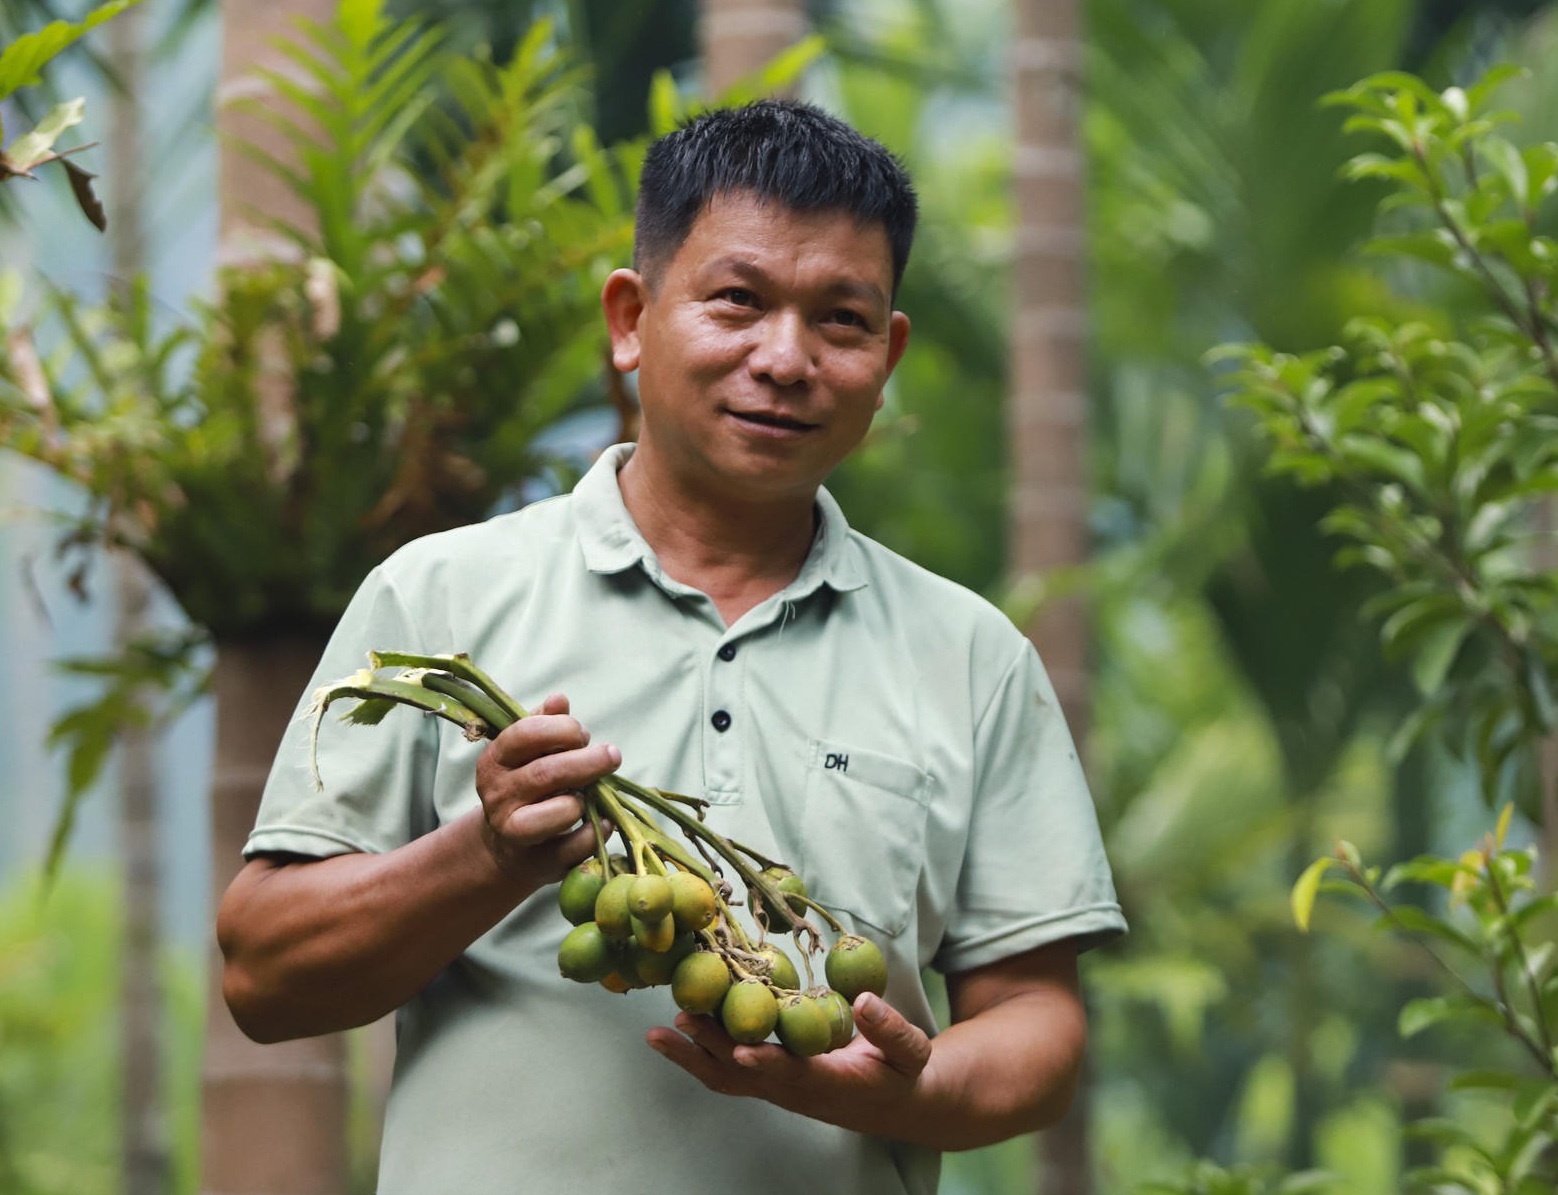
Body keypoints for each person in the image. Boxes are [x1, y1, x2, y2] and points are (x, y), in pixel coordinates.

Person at [216, 99, 1126, 1195]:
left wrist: (907, 1090)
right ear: (630, 318)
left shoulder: (972, 655)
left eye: (839, 320)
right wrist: (488, 852)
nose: (783, 358)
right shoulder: (438, 598)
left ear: (884, 356)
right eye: (737, 301)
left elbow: (1035, 1015)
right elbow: (264, 974)